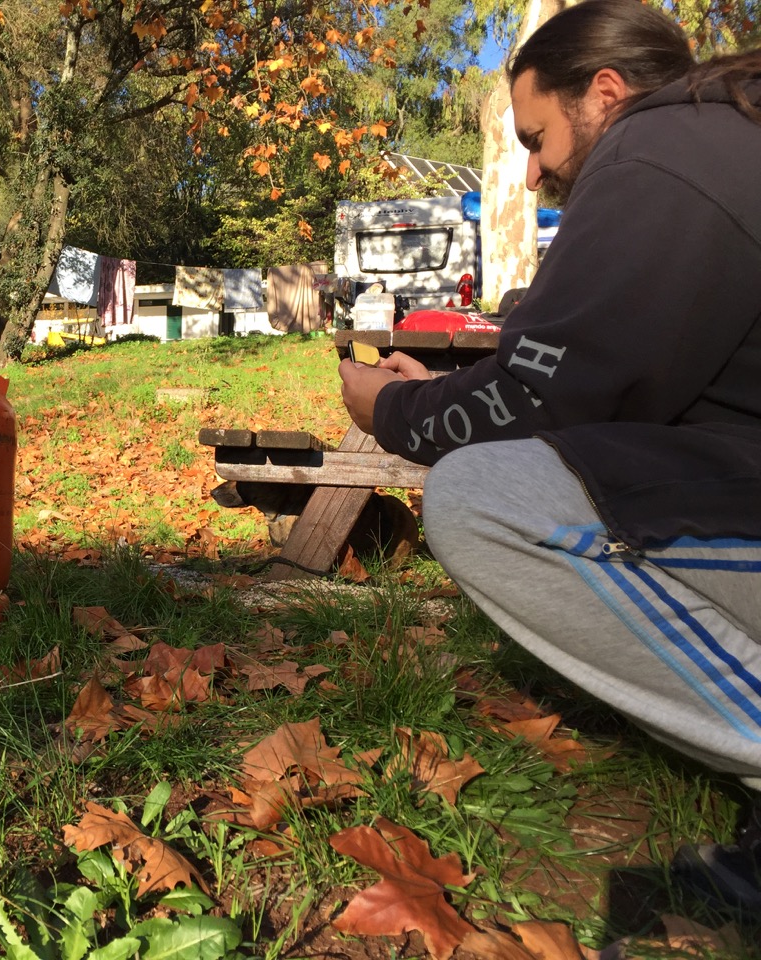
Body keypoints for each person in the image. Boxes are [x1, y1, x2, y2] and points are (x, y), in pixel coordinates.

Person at [338, 0, 761, 908]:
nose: (532, 173)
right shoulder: (717, 140)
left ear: (605, 92)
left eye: (536, 139)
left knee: (483, 499)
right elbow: (597, 377)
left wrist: (394, 410)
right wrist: (468, 381)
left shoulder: (658, 155)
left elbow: (544, 401)